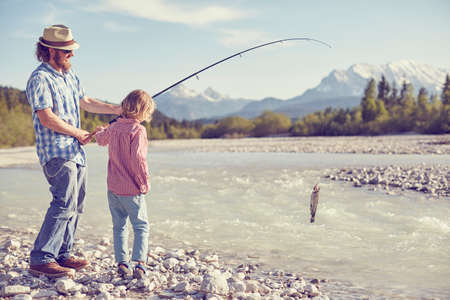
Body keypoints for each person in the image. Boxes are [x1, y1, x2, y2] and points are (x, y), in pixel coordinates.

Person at [26, 24, 121, 277]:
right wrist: (78, 132)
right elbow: (46, 117)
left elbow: (87, 102)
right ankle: (42, 258)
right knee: (63, 202)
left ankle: (62, 254)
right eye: (66, 50)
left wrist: (117, 109)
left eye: (71, 50)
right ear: (49, 50)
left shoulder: (71, 76)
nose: (72, 54)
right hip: (56, 151)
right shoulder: (40, 78)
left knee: (76, 205)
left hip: (76, 152)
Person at [95, 89, 155, 279]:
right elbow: (139, 159)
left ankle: (122, 262)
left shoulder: (113, 128)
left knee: (119, 226)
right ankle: (139, 264)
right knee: (141, 226)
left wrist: (100, 131)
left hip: (113, 188)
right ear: (143, 111)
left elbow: (100, 140)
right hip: (131, 189)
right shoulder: (138, 130)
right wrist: (144, 183)